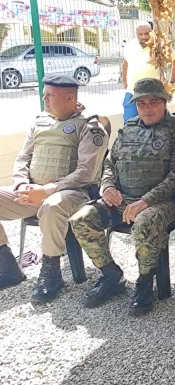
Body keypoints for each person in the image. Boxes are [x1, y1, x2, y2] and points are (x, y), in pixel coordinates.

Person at [70, 78, 175, 315]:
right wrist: (107, 186)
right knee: (81, 220)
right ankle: (111, 275)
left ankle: (145, 282)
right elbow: (109, 163)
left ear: (165, 102)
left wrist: (146, 200)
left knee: (144, 223)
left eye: (153, 102)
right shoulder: (128, 129)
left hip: (161, 202)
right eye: (141, 103)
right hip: (121, 199)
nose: (147, 108)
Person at [0, 74, 108, 301]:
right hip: (32, 192)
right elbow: (22, 159)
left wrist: (47, 190)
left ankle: (51, 273)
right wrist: (21, 184)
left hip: (73, 194)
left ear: (70, 98)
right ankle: (7, 267)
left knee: (52, 205)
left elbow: (85, 173)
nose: (44, 100)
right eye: (44, 94)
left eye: (50, 95)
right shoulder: (40, 121)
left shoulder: (90, 126)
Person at [121, 22, 175, 122]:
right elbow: (125, 63)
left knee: (157, 126)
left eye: (146, 33)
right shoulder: (130, 46)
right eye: (140, 34)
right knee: (129, 125)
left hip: (154, 95)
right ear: (136, 34)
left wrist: (171, 83)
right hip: (132, 93)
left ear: (152, 32)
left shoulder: (160, 45)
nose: (144, 37)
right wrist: (125, 82)